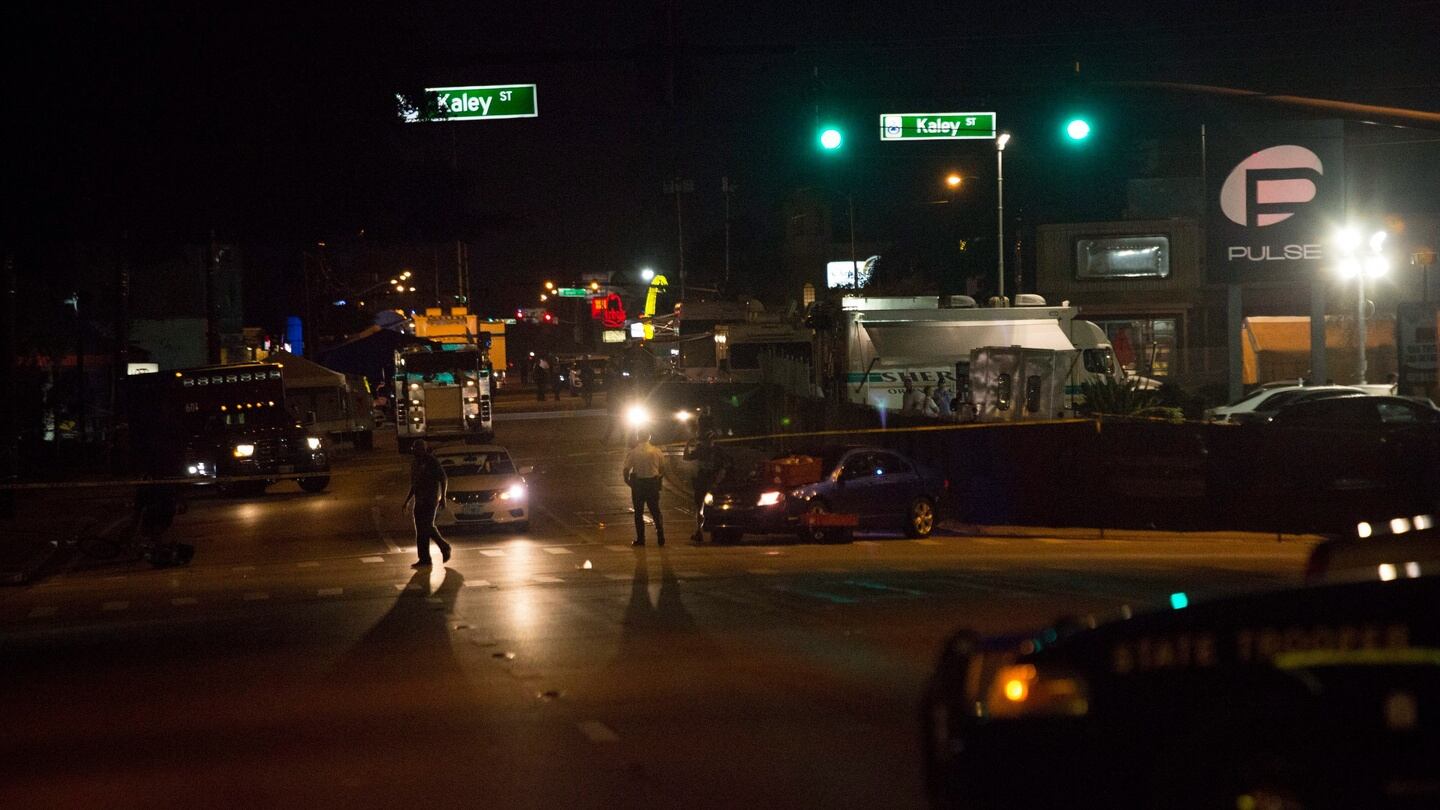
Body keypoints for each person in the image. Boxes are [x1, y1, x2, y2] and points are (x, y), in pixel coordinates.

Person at [402, 439, 452, 568]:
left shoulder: (431, 461)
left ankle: (444, 546)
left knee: (426, 526)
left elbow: (443, 478)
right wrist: (407, 500)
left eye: (419, 449)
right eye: (415, 449)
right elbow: (414, 484)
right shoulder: (415, 463)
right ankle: (424, 558)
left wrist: (443, 497)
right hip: (419, 500)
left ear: (424, 449)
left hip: (430, 499)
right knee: (420, 530)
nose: (416, 451)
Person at [683, 429, 728, 543]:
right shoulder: (718, 451)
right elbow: (724, 467)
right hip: (712, 482)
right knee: (714, 506)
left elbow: (686, 457)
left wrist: (687, 445)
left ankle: (700, 531)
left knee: (700, 507)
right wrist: (718, 481)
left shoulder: (701, 450)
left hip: (703, 481)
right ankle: (712, 531)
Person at [623, 432, 666, 546]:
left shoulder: (633, 452)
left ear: (638, 438)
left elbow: (626, 469)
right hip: (652, 483)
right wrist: (657, 478)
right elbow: (662, 469)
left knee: (638, 512)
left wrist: (628, 481)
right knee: (655, 511)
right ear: (649, 437)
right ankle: (660, 536)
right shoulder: (657, 451)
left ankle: (641, 539)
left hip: (639, 484)